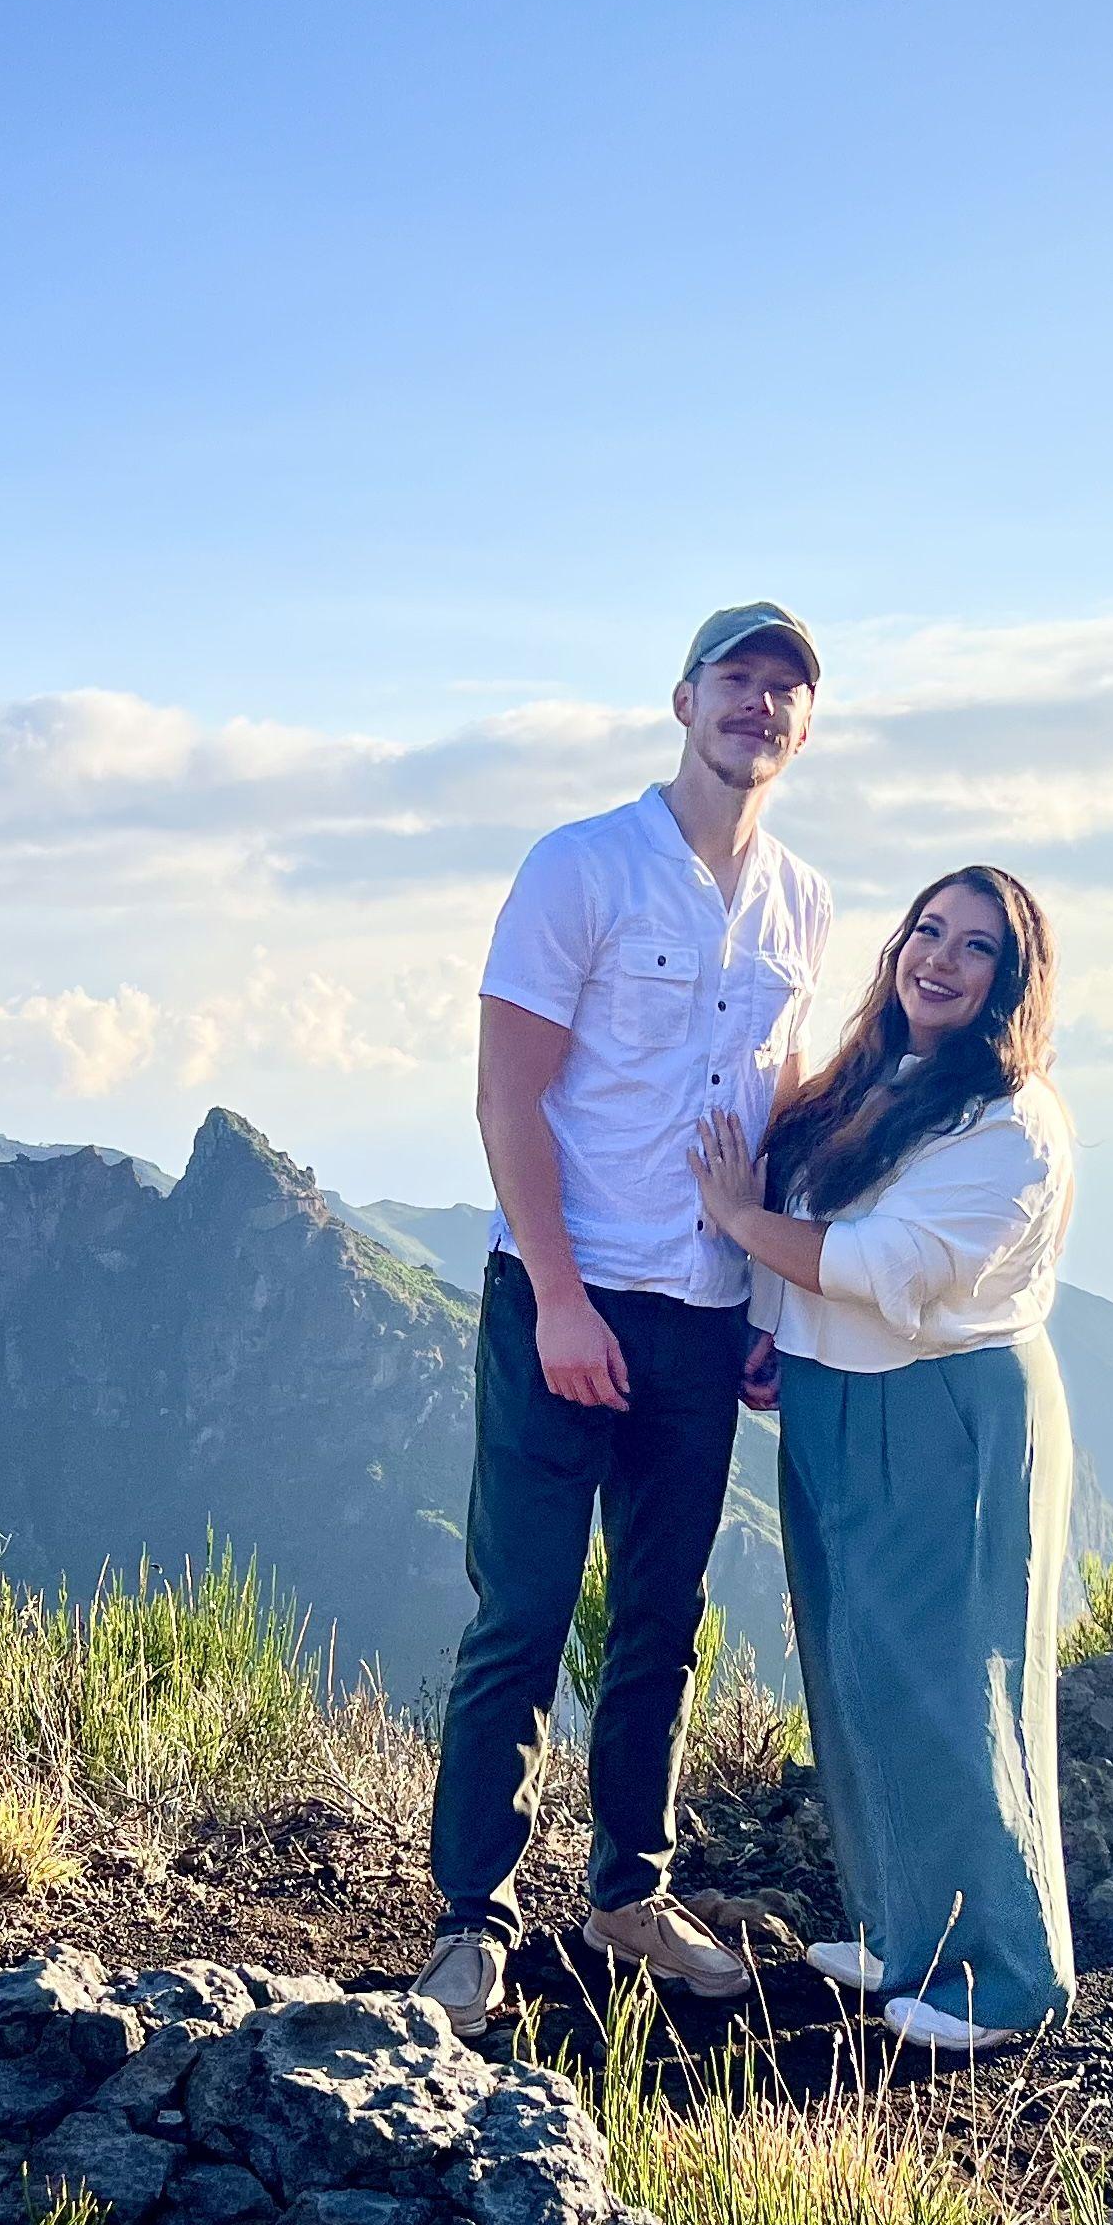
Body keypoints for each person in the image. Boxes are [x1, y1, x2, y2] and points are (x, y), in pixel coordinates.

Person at [416, 602, 840, 2037]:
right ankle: (472, 1919)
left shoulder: (802, 904)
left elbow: (771, 1120)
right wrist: (555, 1297)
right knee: (523, 1617)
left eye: (787, 692)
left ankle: (626, 1892)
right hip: (563, 1296)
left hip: (705, 1317)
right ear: (683, 698)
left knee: (662, 1619)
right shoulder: (581, 867)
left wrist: (767, 1303)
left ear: (802, 725)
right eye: (740, 681)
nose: (762, 708)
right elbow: (506, 1095)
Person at [686, 868, 1078, 2056]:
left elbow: (893, 1270)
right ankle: (910, 1930)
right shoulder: (877, 1079)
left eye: (976, 949)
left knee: (953, 1686)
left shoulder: (1009, 1121)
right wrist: (773, 1320)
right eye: (927, 931)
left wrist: (744, 1223)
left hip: (943, 1414)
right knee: (859, 1676)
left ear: (1013, 983)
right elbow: (823, 1239)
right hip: (840, 1404)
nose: (940, 960)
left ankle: (1002, 1975)